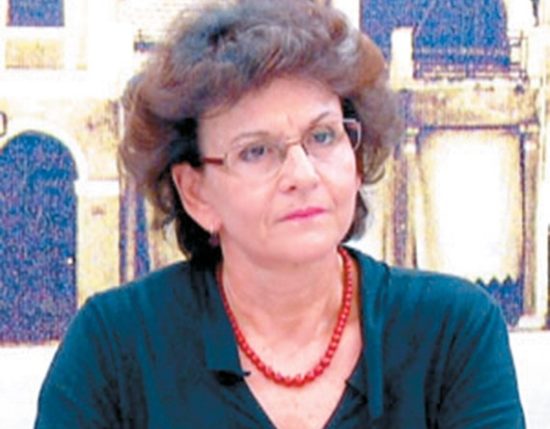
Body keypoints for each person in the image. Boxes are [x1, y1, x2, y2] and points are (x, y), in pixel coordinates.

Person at [35, 0, 525, 427]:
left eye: (323, 136)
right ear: (196, 192)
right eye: (257, 151)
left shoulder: (453, 334)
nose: (303, 174)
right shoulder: (113, 349)